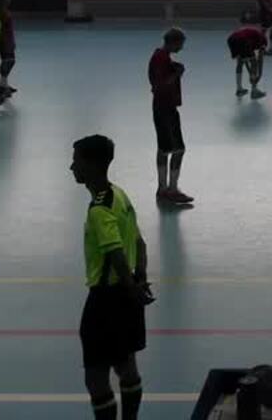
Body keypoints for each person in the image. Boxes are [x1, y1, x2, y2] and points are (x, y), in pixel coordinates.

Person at [71, 134, 152, 420]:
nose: (72, 167)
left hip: (106, 300)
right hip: (128, 295)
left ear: (91, 164)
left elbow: (116, 254)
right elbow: (140, 244)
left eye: (76, 160)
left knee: (95, 377)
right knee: (126, 366)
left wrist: (130, 287)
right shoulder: (119, 194)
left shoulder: (99, 209)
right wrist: (140, 280)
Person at [149, 28, 193, 204]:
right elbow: (161, 84)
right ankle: (170, 189)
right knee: (177, 149)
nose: (181, 48)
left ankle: (163, 189)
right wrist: (177, 73)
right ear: (174, 42)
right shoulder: (161, 59)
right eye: (181, 44)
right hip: (165, 107)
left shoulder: (161, 57)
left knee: (165, 148)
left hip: (163, 107)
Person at [227, 11, 268, 99]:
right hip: (242, 40)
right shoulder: (263, 39)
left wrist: (251, 72)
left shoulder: (253, 35)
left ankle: (239, 89)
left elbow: (245, 57)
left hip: (231, 39)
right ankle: (254, 91)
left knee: (240, 63)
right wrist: (258, 76)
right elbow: (259, 59)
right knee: (254, 63)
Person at [0, 0, 18, 95]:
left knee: (8, 61)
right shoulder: (2, 12)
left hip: (8, 40)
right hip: (5, 41)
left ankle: (4, 84)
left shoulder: (4, 11)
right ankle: (2, 85)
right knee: (9, 61)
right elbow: (0, 28)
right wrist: (4, 42)